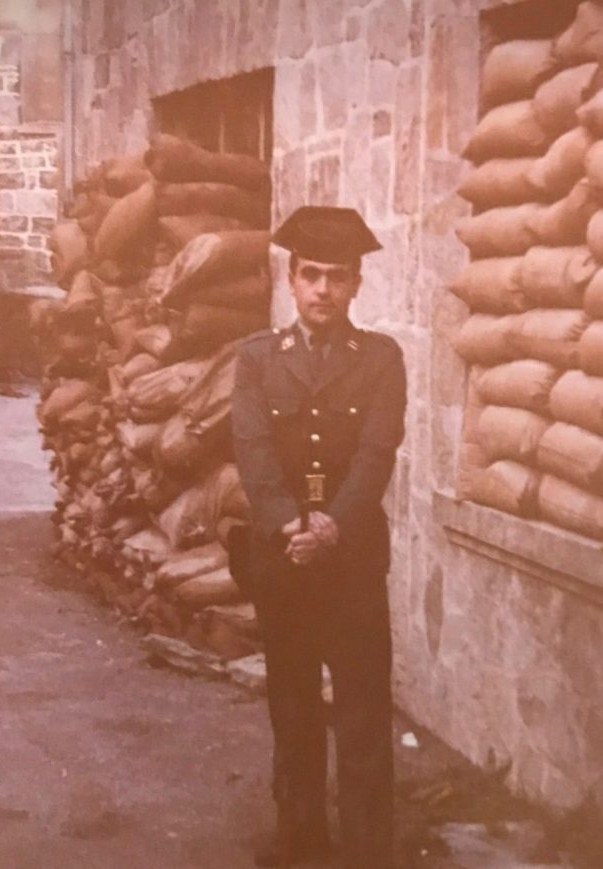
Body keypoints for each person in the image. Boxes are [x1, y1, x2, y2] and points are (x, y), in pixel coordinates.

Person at [231, 206, 407, 868]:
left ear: (357, 284)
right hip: (284, 561)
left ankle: (368, 852)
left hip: (353, 562)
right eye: (311, 275)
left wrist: (331, 523)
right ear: (291, 279)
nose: (323, 290)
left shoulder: (382, 360)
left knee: (363, 714)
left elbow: (377, 451)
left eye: (337, 277)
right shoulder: (255, 360)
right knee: (294, 707)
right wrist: (291, 522)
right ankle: (299, 843)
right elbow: (251, 450)